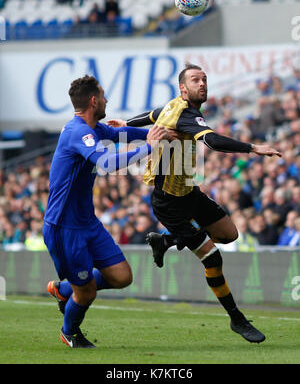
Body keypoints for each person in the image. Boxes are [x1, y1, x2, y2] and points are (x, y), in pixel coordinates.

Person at [107, 63, 282, 344]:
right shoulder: (186, 113)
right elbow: (211, 141)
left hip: (189, 192)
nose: (202, 84)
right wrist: (252, 148)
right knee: (212, 258)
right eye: (195, 80)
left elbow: (154, 114)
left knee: (230, 234)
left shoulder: (174, 107)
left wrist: (128, 123)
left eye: (204, 79)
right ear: (182, 88)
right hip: (169, 202)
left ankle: (164, 242)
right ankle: (237, 320)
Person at [43, 75, 172, 348]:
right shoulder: (77, 132)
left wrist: (160, 132)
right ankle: (70, 332)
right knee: (87, 292)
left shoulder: (95, 129)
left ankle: (64, 290)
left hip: (87, 223)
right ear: (93, 100)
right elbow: (107, 162)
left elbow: (121, 134)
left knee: (122, 276)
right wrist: (150, 147)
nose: (106, 100)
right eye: (103, 96)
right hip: (64, 228)